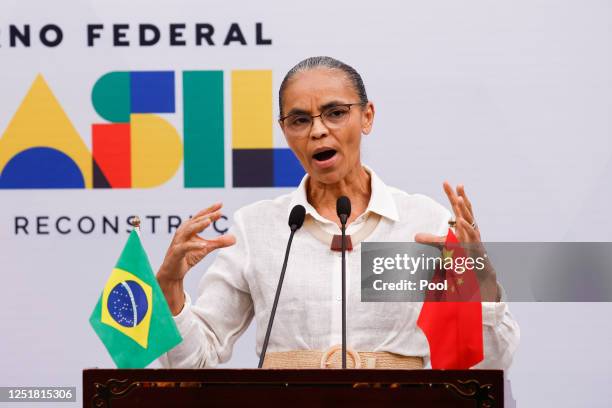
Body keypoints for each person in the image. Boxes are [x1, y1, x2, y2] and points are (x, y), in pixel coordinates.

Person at [157, 56, 519, 369]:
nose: (318, 130)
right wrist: (170, 288)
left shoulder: (423, 224)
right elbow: (193, 362)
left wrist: (481, 280)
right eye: (299, 120)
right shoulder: (257, 227)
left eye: (335, 113)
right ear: (284, 131)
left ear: (367, 117)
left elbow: (487, 365)